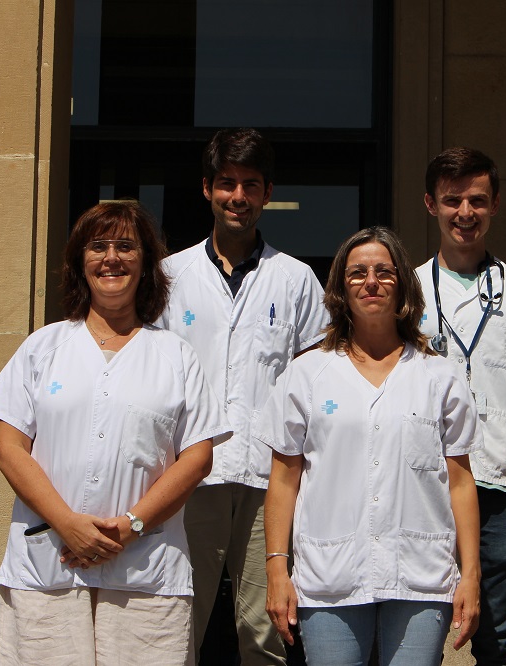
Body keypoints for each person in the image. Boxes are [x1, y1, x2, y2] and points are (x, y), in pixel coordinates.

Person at [0, 200, 231, 665]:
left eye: (125, 246)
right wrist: (66, 523)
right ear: (81, 261)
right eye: (97, 247)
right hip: (48, 566)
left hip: (145, 571)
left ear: (146, 264)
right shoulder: (44, 346)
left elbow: (197, 458)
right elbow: (6, 447)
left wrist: (131, 526)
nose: (111, 258)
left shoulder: (175, 356)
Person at [259, 227, 482, 666]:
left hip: (421, 574)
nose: (371, 282)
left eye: (384, 271)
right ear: (342, 287)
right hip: (328, 577)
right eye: (357, 273)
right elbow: (284, 479)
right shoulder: (307, 373)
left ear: (402, 283)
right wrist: (276, 568)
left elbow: (459, 481)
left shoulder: (440, 375)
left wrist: (470, 572)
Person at [158, 127, 328, 662]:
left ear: (267, 193)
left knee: (266, 632)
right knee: (178, 621)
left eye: (250, 185)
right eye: (227, 183)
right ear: (206, 189)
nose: (238, 196)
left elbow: (317, 378)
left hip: (267, 478)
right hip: (191, 475)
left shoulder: (297, 279)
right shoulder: (170, 276)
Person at [417, 147, 506, 665]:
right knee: (416, 636)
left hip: (500, 486)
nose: (465, 213)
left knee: (498, 639)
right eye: (452, 200)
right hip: (423, 486)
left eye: (477, 200)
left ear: (495, 205)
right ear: (430, 204)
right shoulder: (406, 289)